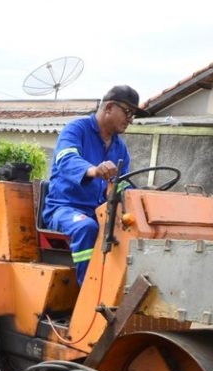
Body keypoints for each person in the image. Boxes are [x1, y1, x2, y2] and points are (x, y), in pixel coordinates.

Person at [42, 85, 147, 285]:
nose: (130, 120)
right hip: (64, 209)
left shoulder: (120, 147)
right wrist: (93, 170)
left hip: (100, 213)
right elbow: (66, 159)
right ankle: (89, 293)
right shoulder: (76, 130)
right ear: (108, 107)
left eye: (133, 115)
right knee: (87, 228)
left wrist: (141, 197)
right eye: (127, 112)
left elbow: (121, 185)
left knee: (131, 231)